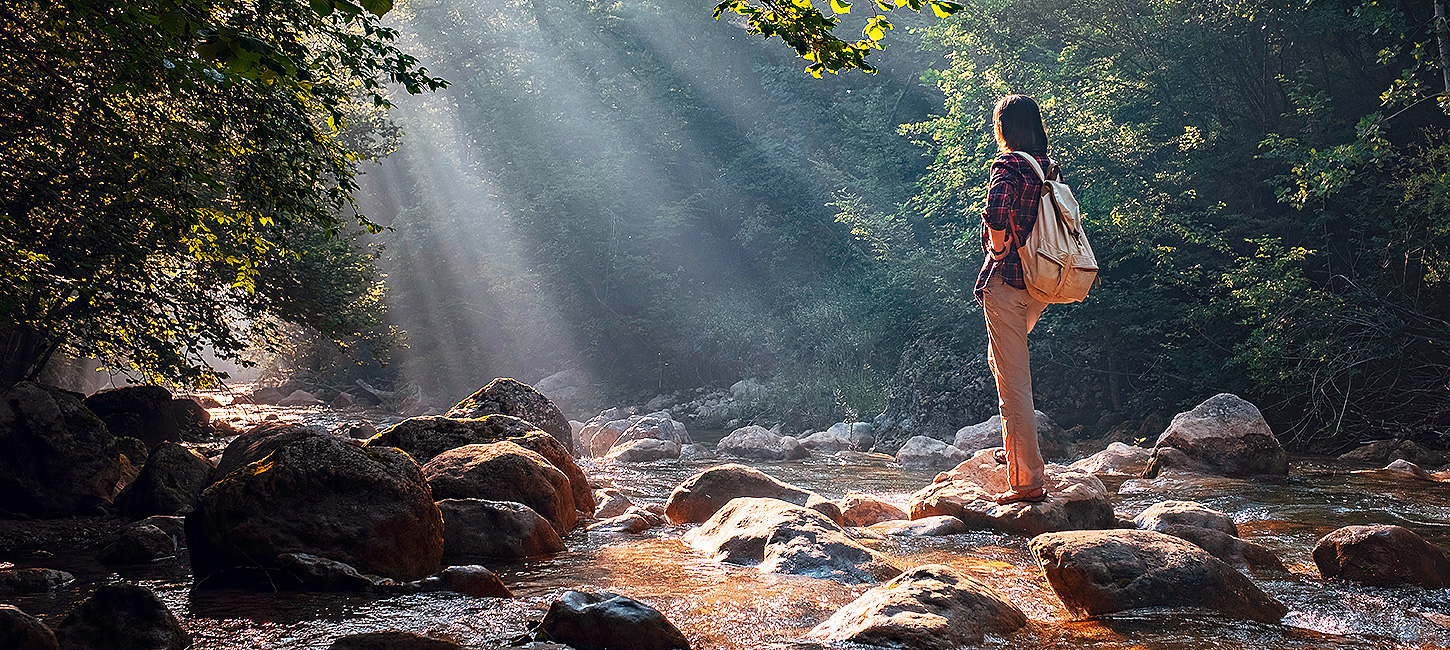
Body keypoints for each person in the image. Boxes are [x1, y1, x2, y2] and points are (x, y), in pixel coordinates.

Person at [975, 94, 1053, 504]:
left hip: (1006, 281)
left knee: (1013, 384)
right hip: (1037, 284)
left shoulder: (1008, 165)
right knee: (1000, 361)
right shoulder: (1046, 167)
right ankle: (1016, 449)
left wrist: (1000, 246)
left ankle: (1026, 482)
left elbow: (996, 207)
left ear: (1003, 128)